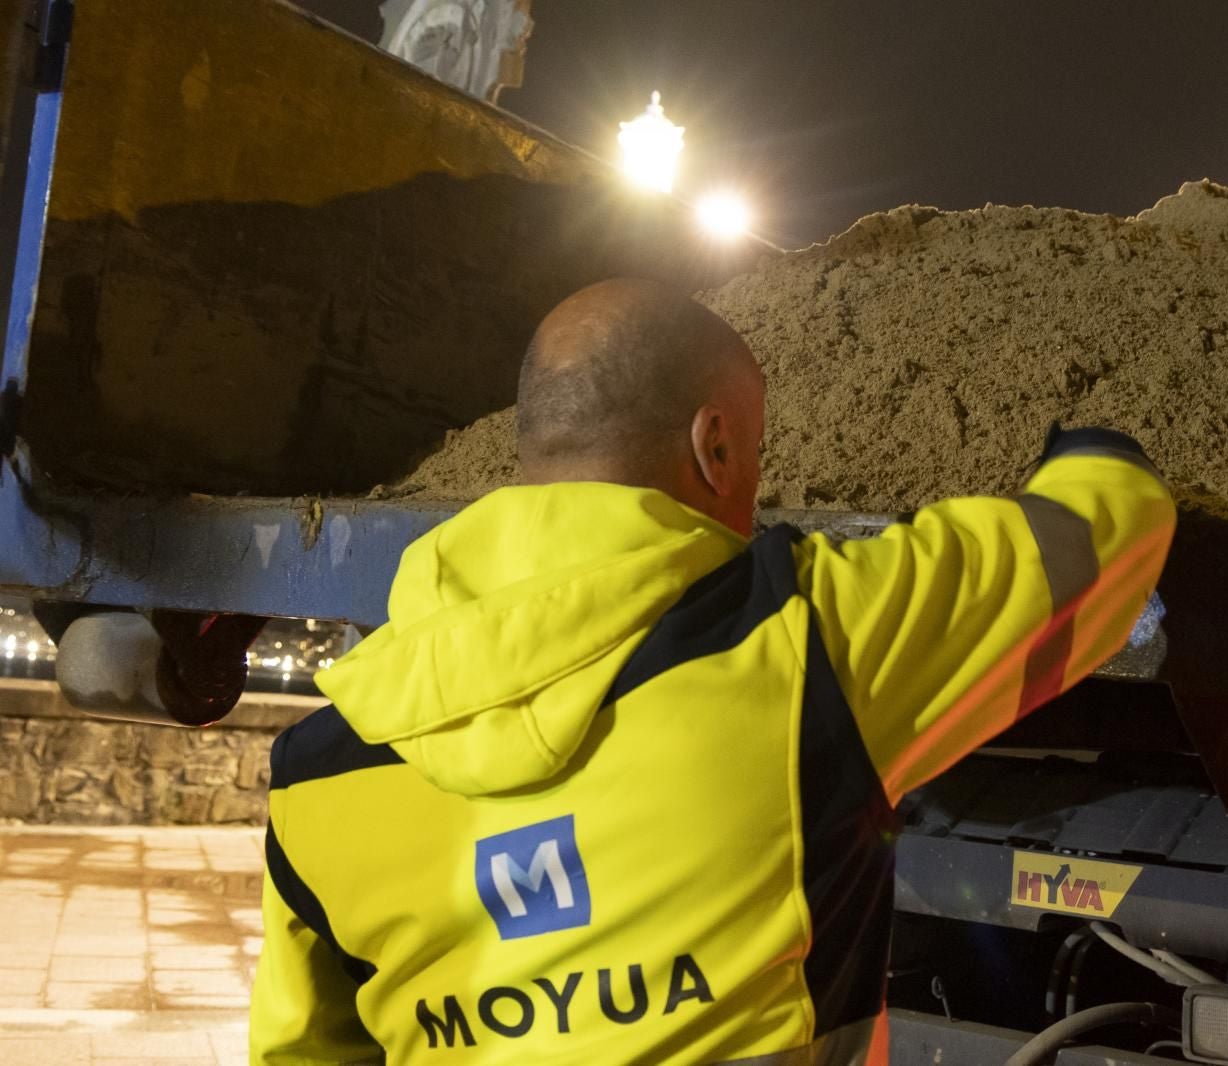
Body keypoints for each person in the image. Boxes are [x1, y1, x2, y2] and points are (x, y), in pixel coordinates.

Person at [249, 278, 1176, 1065]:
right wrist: (1098, 448)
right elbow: (1096, 545)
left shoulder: (319, 772)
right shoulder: (797, 640)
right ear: (716, 445)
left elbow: (297, 1048)